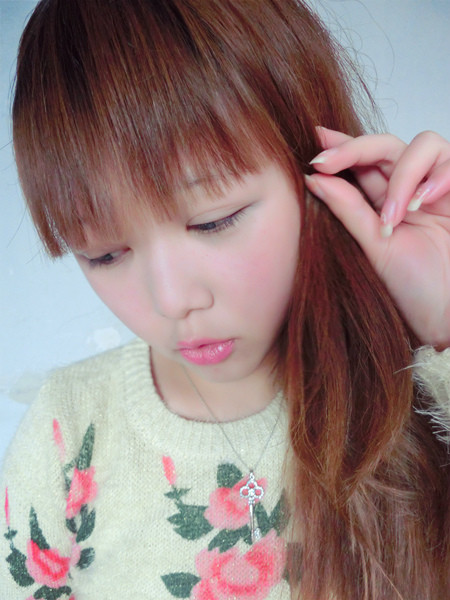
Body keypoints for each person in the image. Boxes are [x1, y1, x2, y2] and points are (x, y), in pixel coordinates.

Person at [1, 0, 449, 598]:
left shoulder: (424, 384)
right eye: (104, 254)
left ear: (318, 177)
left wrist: (444, 315)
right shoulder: (71, 433)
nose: (172, 301)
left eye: (214, 221)